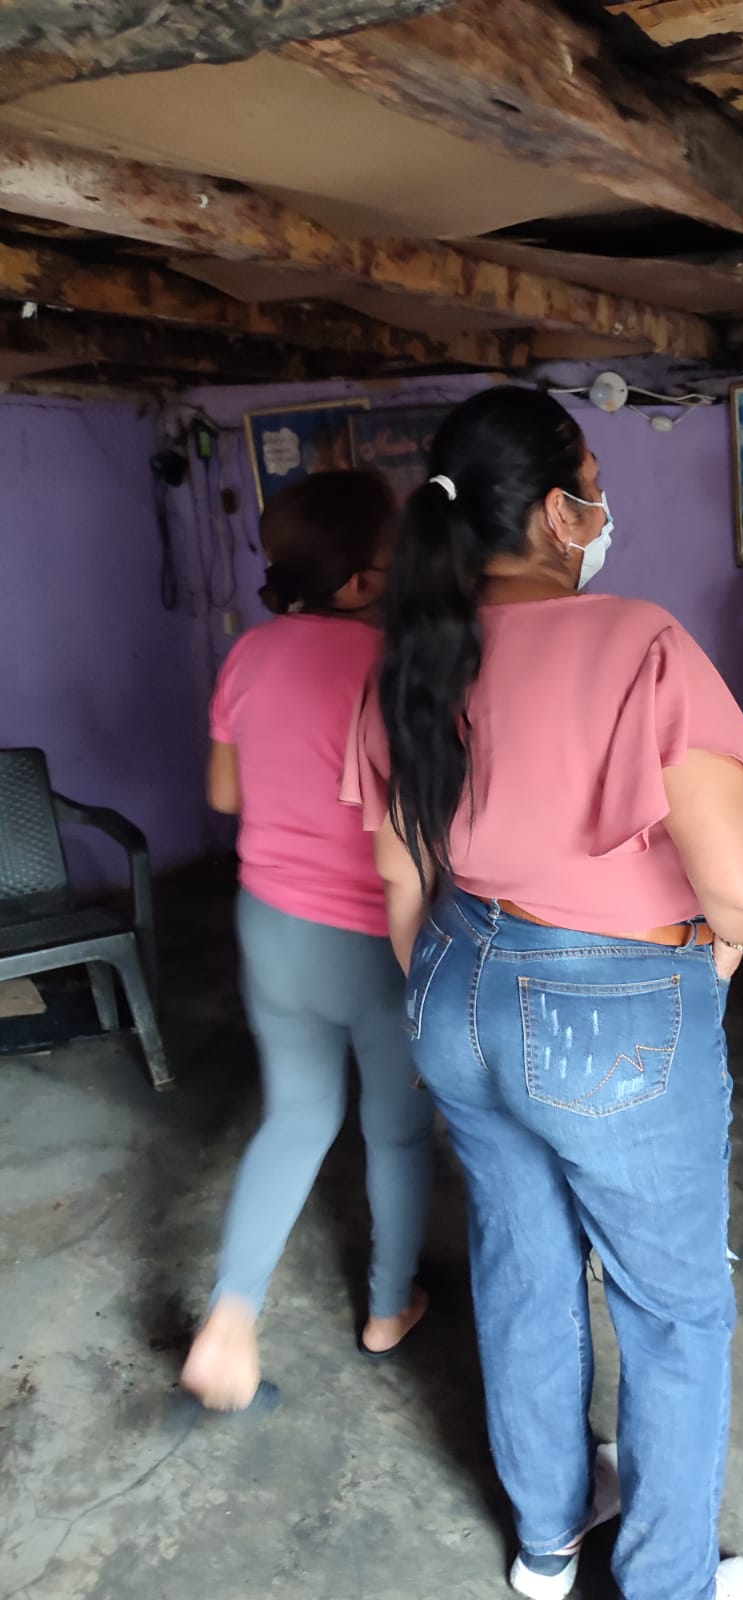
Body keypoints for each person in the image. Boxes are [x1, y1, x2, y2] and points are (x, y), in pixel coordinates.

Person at [342, 389, 743, 1600]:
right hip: (613, 1007)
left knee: (524, 1271)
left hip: (453, 980)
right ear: (556, 512)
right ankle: (669, 1584)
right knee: (671, 1312)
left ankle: (547, 1544)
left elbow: (400, 876)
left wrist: (456, 1002)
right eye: (592, 481)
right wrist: (710, 963)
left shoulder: (411, 655)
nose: (602, 505)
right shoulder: (638, 639)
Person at [180, 471, 435, 1412]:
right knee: (396, 1130)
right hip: (372, 934)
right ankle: (387, 1309)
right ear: (363, 580)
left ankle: (231, 1316)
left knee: (295, 1117)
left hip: (269, 923)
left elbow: (224, 794)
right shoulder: (402, 663)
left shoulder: (250, 652)